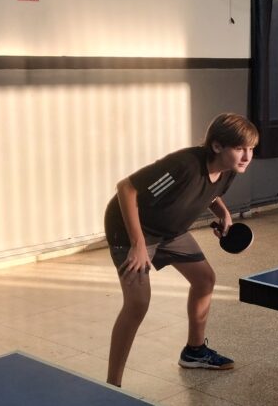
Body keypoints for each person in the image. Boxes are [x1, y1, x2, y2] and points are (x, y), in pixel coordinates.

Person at [104, 112, 258, 387]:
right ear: (217, 146)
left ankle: (194, 352)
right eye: (240, 148)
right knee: (138, 303)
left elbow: (210, 192)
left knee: (204, 279)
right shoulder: (184, 166)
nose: (247, 156)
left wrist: (223, 213)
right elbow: (127, 189)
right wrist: (138, 244)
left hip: (171, 231)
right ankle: (112, 385)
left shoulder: (229, 170)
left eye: (251, 149)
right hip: (130, 231)